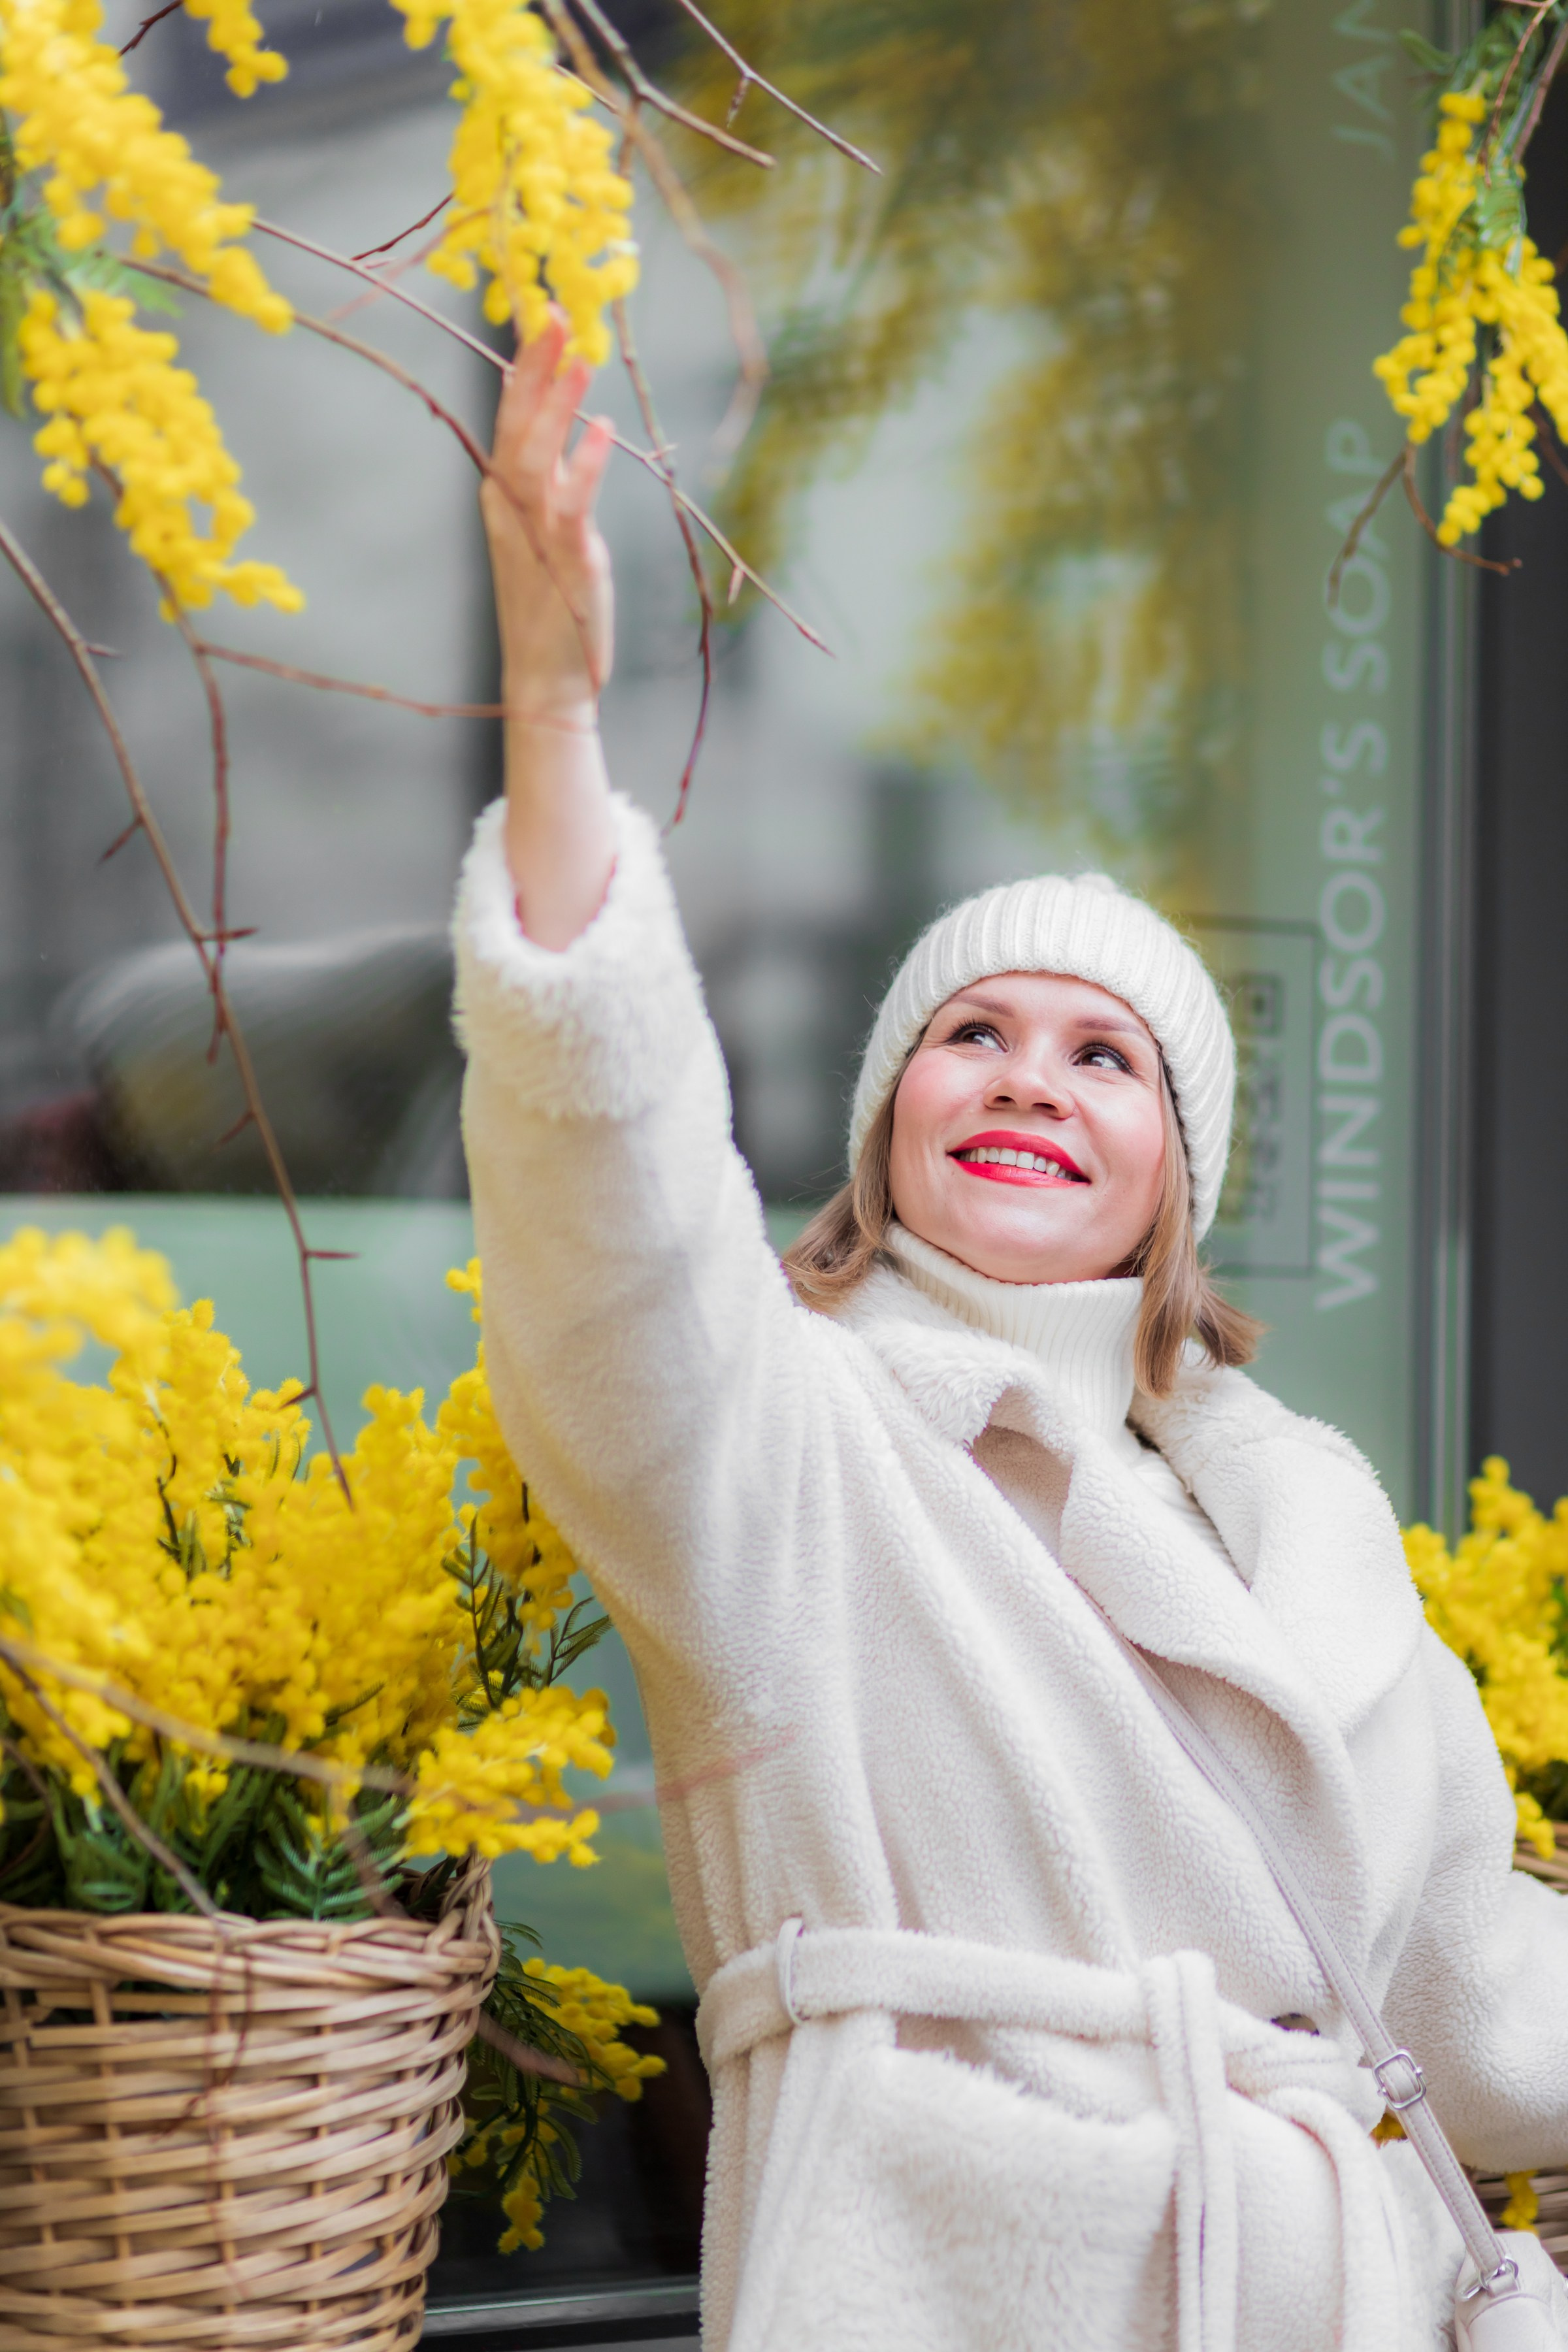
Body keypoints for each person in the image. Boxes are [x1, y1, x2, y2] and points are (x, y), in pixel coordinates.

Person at [451, 321, 1568, 2352]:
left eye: (1102, 1054)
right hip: (944, 2286)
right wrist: (553, 719)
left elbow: (1466, 1993)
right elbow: (608, 1211)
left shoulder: (1301, 1519)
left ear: (1172, 1179)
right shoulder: (781, 1442)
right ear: (889, 1122)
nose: (1027, 1074)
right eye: (970, 1033)